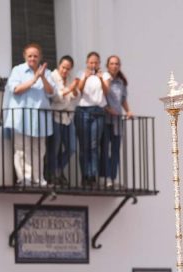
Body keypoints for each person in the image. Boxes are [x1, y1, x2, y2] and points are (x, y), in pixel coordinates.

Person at [3, 43, 55, 187]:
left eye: (35, 56)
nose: (33, 58)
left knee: (39, 149)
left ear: (40, 57)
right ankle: (24, 178)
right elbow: (16, 89)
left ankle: (38, 178)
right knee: (21, 148)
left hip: (40, 118)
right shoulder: (17, 70)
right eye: (30, 55)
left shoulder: (48, 73)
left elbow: (51, 92)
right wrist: (34, 79)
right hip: (22, 116)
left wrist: (42, 77)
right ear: (25, 56)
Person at [75, 52, 108, 187]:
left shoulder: (104, 75)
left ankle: (92, 175)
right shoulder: (81, 73)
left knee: (94, 145)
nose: (93, 65)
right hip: (83, 110)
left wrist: (100, 79)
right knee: (84, 145)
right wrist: (85, 77)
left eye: (96, 62)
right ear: (87, 63)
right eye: (91, 62)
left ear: (99, 63)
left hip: (98, 111)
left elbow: (106, 92)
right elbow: (78, 90)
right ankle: (84, 175)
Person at [47, 55, 79, 186]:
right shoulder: (52, 77)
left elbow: (75, 97)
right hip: (55, 115)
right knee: (54, 147)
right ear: (59, 65)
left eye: (68, 68)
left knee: (71, 147)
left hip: (68, 117)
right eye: (63, 67)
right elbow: (56, 97)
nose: (65, 71)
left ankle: (57, 169)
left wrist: (75, 90)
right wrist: (70, 90)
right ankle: (53, 174)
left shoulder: (71, 79)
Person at [103, 55, 132, 188]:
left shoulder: (121, 83)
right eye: (112, 64)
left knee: (115, 150)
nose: (114, 66)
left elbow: (123, 99)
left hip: (117, 121)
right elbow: (100, 97)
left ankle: (113, 178)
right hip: (105, 120)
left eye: (116, 64)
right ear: (107, 65)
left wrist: (128, 111)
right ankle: (106, 177)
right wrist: (108, 109)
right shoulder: (103, 79)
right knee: (104, 149)